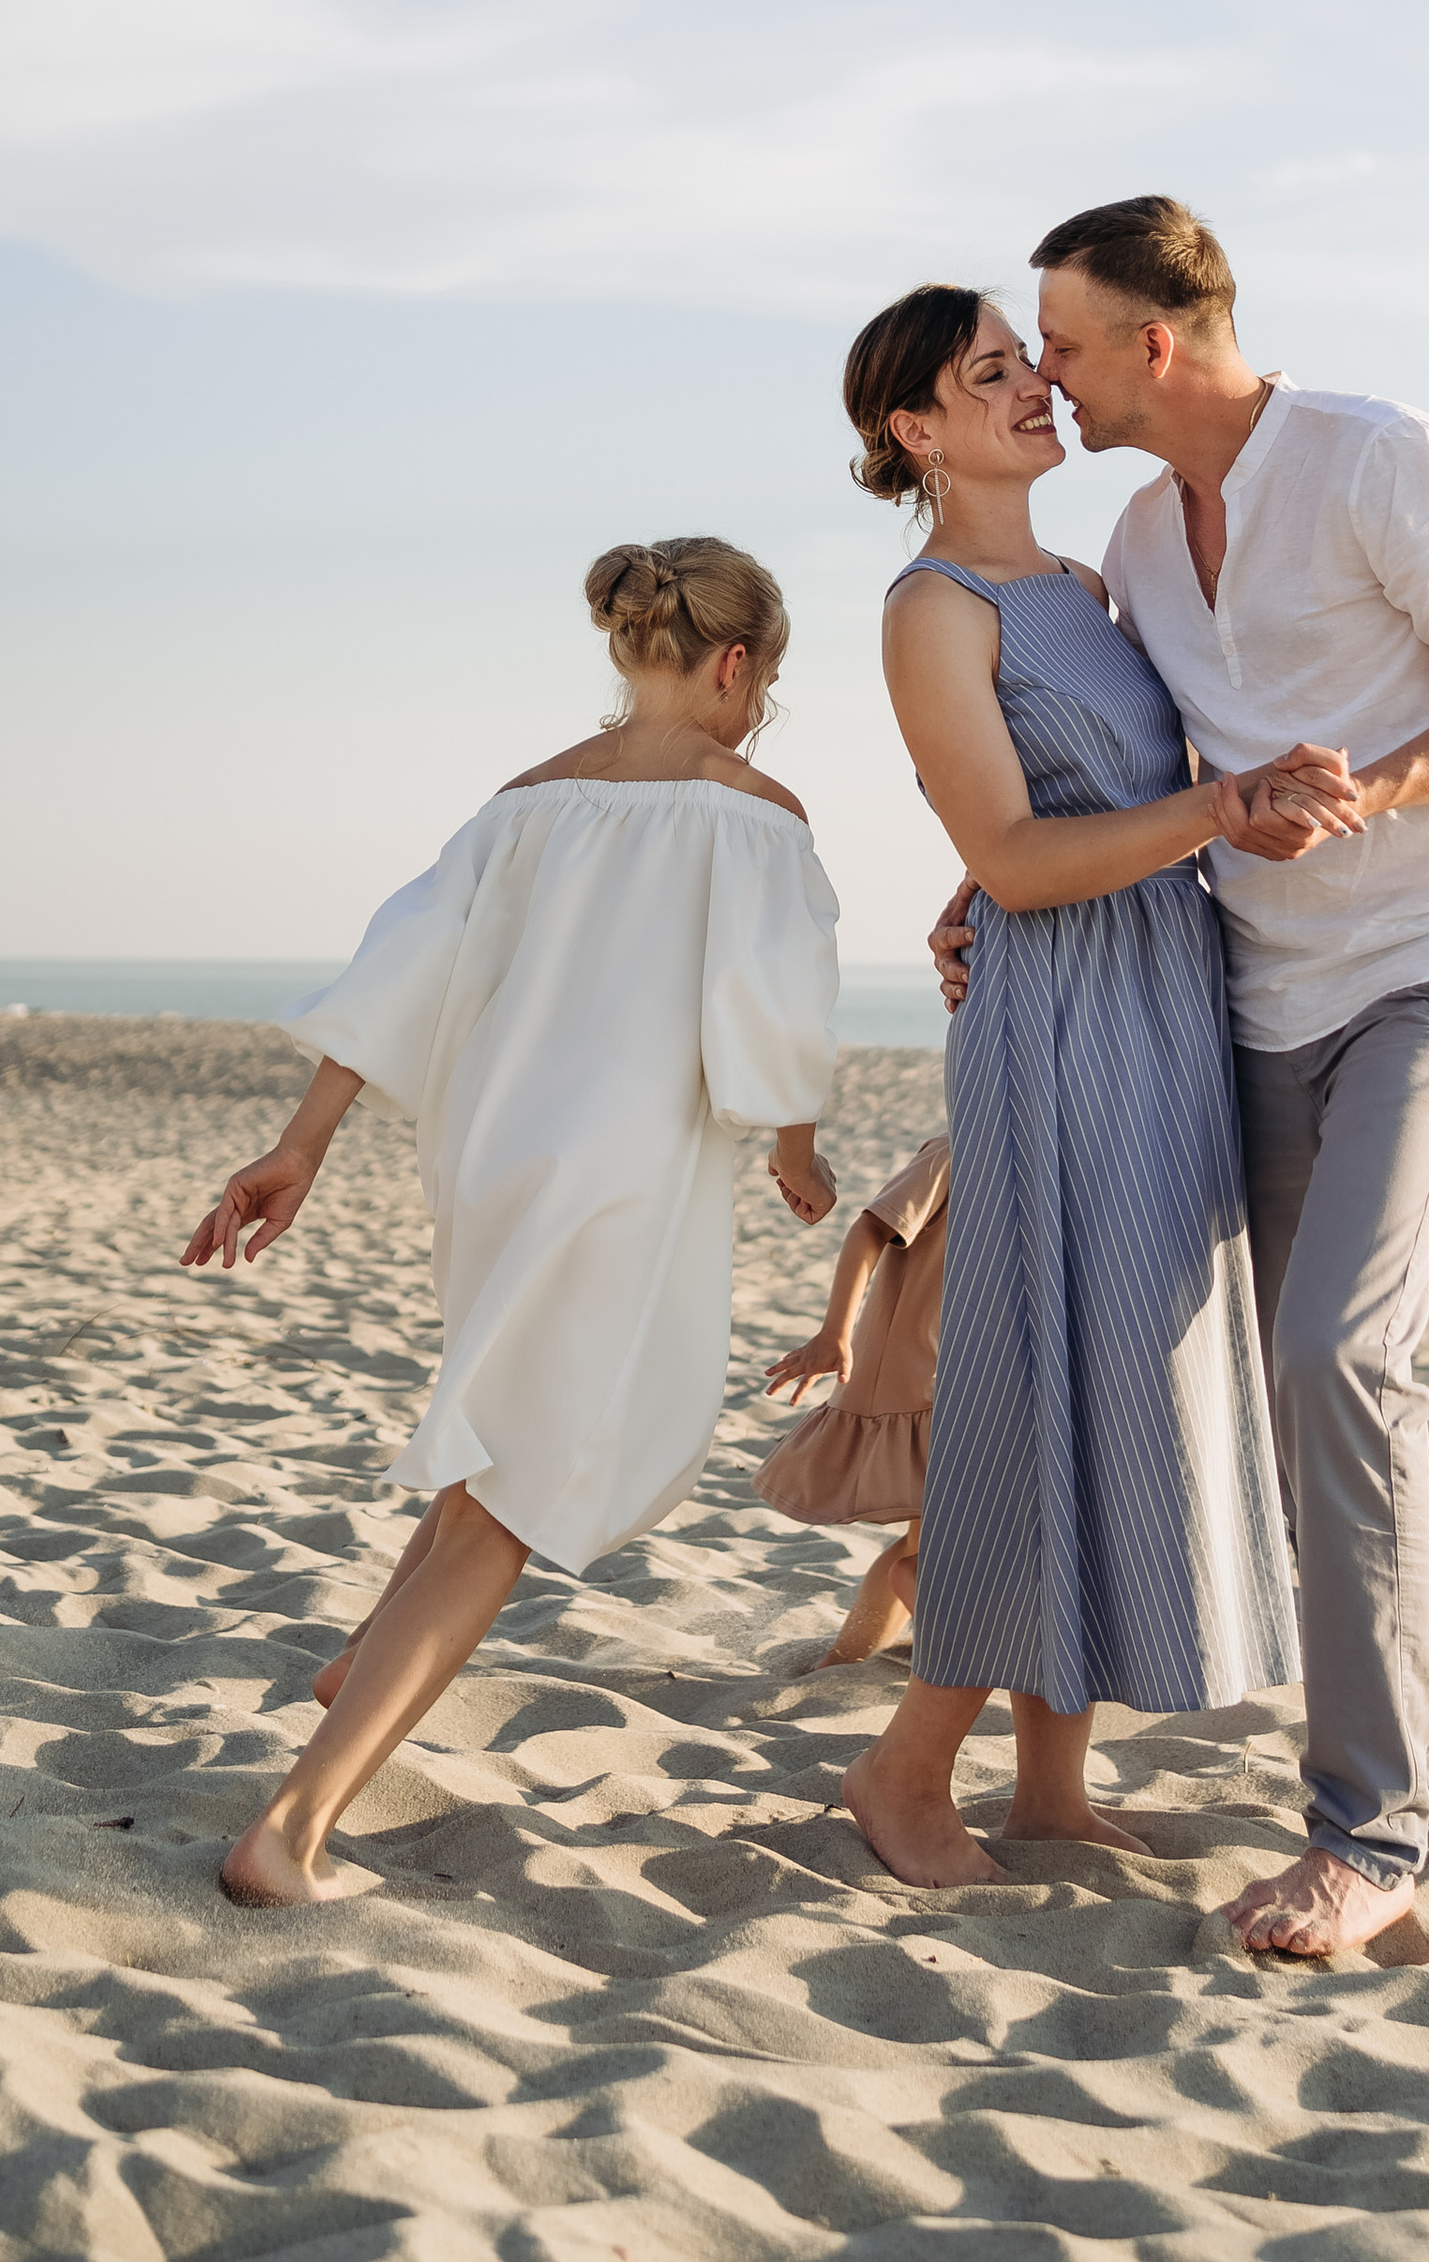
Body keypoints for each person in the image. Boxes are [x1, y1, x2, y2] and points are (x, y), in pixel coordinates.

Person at [941, 194, 1429, 1961]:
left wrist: (1371, 789)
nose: (1047, 377)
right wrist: (977, 873)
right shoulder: (1141, 540)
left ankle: (1370, 1831)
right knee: (1291, 1390)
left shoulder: (1382, 460)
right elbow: (1130, 758)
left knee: (1336, 1357)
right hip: (1247, 993)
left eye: (1062, 344)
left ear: (1157, 341)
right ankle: (1411, 1776)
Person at [178, 536, 841, 1907]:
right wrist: (796, 1145)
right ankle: (289, 1834)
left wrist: (300, 1145)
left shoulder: (522, 804)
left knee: (498, 1431)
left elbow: (399, 970)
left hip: (489, 1160)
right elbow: (770, 1009)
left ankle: (362, 1659)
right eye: (761, 683)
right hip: (618, 1177)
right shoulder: (755, 812)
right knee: (515, 1487)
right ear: (735, 666)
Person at [834, 285, 1346, 1887]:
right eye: (996, 374)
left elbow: (1100, 801)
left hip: (1162, 999)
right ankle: (909, 1771)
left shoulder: (1083, 578)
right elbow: (1007, 853)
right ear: (919, 432)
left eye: (1030, 362)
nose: (1036, 387)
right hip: (1057, 1022)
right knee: (1040, 1381)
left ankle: (1050, 1790)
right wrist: (1217, 814)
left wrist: (1210, 814)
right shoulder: (935, 607)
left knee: (1117, 1376)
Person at [753, 1127, 949, 1665]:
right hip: (921, 1374)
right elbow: (869, 1229)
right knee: (933, 1546)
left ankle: (844, 1660)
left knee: (923, 1541)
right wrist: (834, 1332)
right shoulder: (957, 1150)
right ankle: (950, 1666)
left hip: (972, 1376)